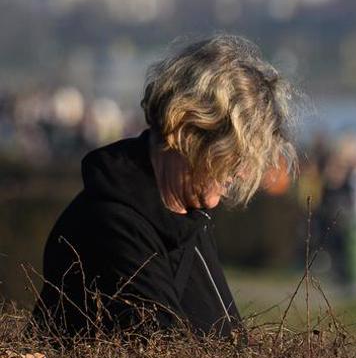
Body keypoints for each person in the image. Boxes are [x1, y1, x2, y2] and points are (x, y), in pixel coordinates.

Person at [32, 34, 297, 337]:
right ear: (185, 128)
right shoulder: (111, 225)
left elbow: (226, 348)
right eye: (236, 154)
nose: (244, 173)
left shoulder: (186, 220)